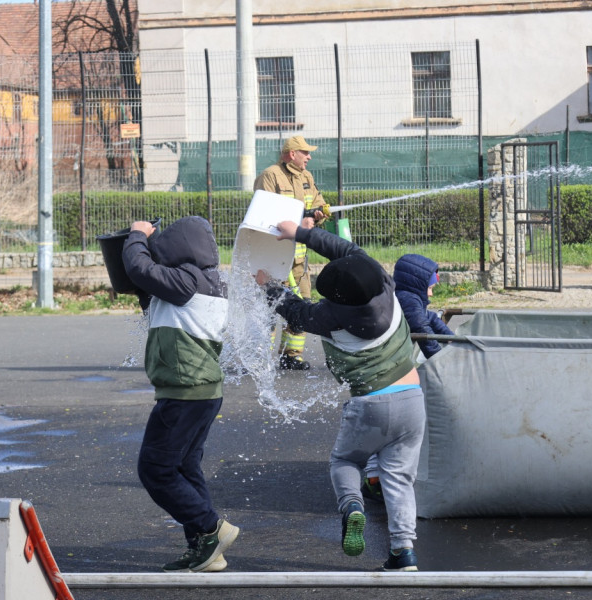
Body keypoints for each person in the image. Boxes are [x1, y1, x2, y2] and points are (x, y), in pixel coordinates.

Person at [255, 220, 425, 571]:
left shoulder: (328, 317)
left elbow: (293, 310)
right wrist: (301, 233)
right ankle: (403, 551)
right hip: (412, 395)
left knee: (346, 461)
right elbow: (345, 250)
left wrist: (267, 285)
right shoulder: (384, 283)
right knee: (399, 477)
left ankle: (353, 507)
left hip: (370, 403)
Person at [121, 216, 239, 573]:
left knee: (155, 469)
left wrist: (137, 235)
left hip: (185, 392)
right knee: (185, 467)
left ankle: (211, 528)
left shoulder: (186, 280)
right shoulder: (205, 281)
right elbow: (148, 291)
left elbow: (139, 268)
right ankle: (206, 551)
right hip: (200, 391)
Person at [361, 253, 455, 503]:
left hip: (386, 370)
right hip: (385, 373)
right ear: (417, 283)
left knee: (383, 429)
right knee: (384, 430)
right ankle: (374, 481)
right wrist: (442, 362)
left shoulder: (410, 298)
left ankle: (377, 478)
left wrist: (455, 343)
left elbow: (432, 319)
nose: (432, 294)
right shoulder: (407, 300)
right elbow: (422, 329)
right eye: (430, 288)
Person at [253, 135, 330, 371]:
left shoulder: (307, 176)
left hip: (298, 259)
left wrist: (318, 214)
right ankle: (260, 359)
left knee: (303, 306)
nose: (310, 157)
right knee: (269, 309)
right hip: (274, 257)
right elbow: (263, 213)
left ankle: (290, 356)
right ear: (291, 154)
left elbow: (318, 204)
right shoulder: (270, 176)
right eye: (305, 152)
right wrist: (301, 217)